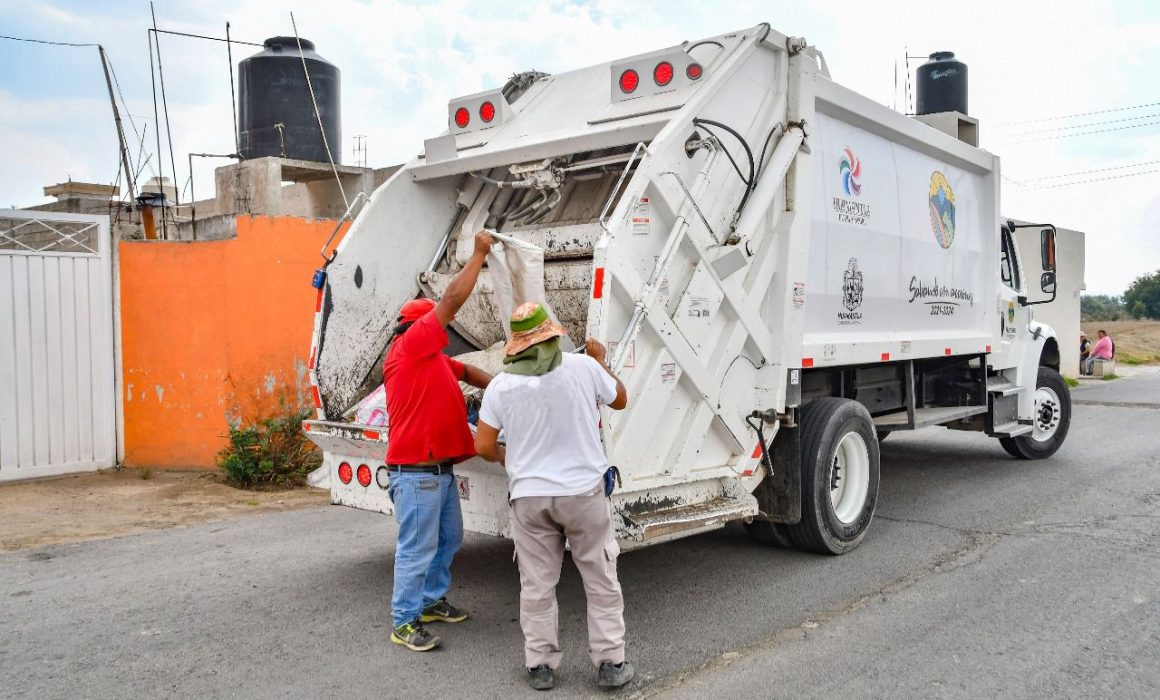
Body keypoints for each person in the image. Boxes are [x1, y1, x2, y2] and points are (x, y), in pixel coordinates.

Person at [475, 302, 633, 691]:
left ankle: (541, 666)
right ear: (552, 335)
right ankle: (611, 663)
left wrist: (506, 458)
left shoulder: (500, 385)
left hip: (529, 499)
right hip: (584, 495)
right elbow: (620, 399)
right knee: (599, 579)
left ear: (517, 344)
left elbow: (482, 445)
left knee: (537, 584)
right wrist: (600, 359)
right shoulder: (583, 367)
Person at [384, 230, 495, 652]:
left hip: (438, 472)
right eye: (433, 325)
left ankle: (429, 601)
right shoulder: (410, 347)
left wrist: (502, 387)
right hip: (415, 475)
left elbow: (466, 372)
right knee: (416, 547)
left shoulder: (432, 360)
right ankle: (405, 620)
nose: (442, 333)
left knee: (449, 538)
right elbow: (450, 302)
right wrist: (479, 255)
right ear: (417, 327)